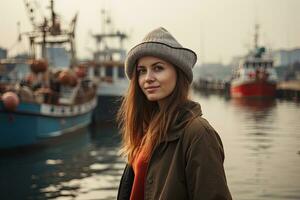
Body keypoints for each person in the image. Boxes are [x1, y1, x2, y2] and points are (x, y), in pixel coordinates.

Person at [117, 27, 232, 200]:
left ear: (178, 73)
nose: (148, 77)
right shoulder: (147, 128)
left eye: (158, 68)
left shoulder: (199, 134)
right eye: (142, 70)